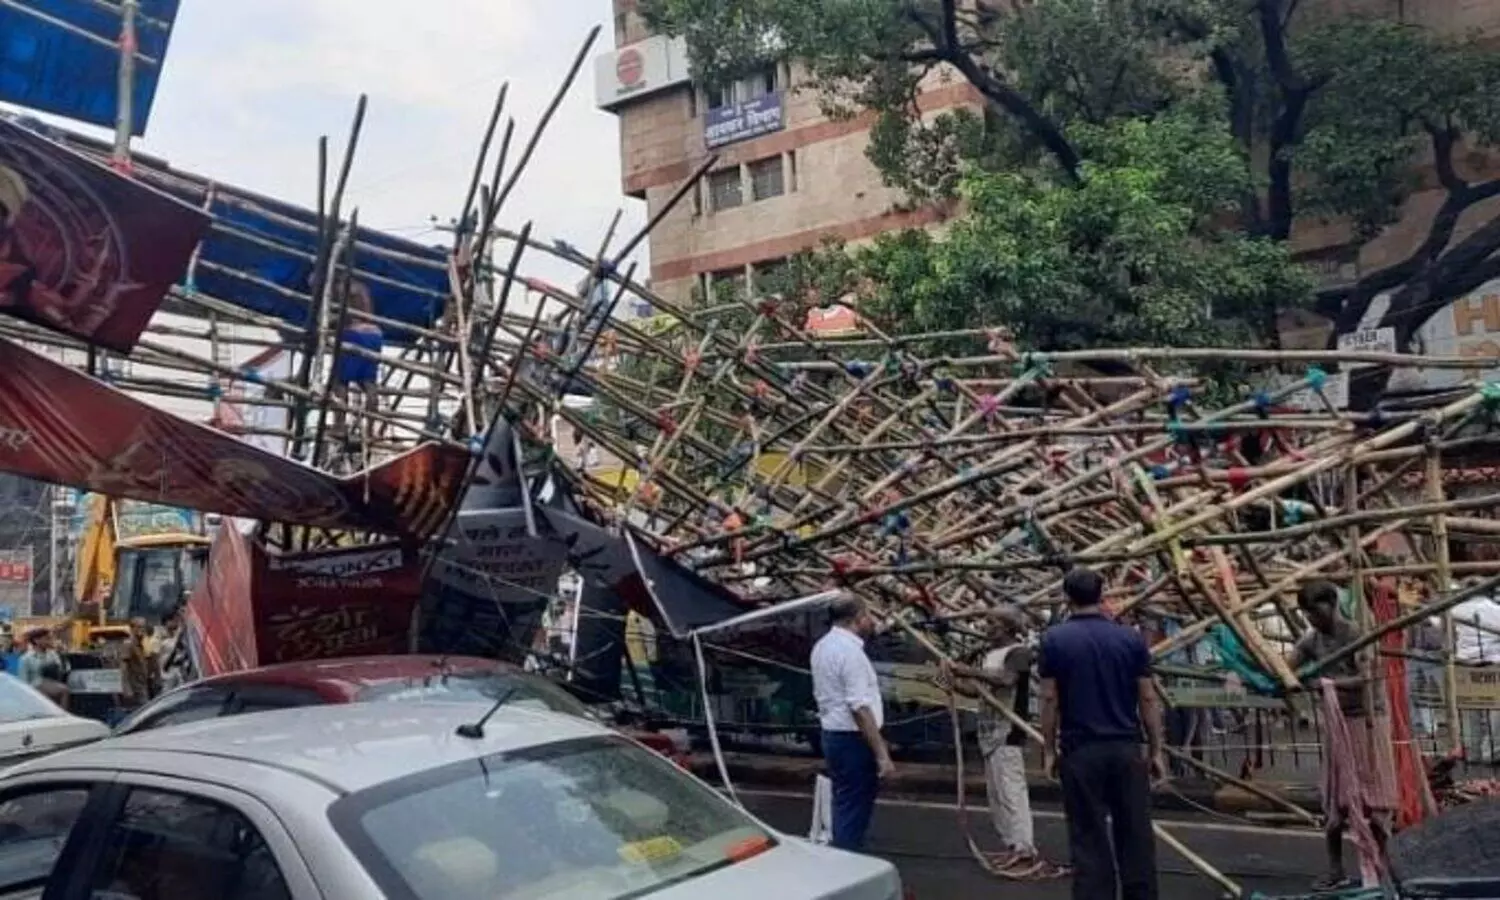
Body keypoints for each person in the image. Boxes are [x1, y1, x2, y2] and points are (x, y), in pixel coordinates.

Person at [1040, 567, 1163, 900]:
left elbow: (1049, 698)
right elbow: (1147, 697)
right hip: (1125, 748)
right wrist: (1156, 749)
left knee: (1088, 835)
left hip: (1081, 750)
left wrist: (1048, 748)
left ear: (1067, 598)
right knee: (1135, 832)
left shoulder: (1055, 639)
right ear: (1102, 595)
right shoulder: (1129, 638)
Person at [1288, 580, 1397, 891]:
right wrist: (1284, 675)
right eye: (1308, 615)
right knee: (1335, 806)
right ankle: (1336, 870)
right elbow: (1289, 666)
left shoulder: (1356, 635)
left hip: (1367, 721)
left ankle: (1385, 867)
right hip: (1337, 724)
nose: (1313, 620)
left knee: (1374, 805)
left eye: (1317, 613)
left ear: (1332, 605)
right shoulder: (1312, 640)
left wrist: (1328, 684)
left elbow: (1367, 677)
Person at [942, 607, 1052, 875]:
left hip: (1009, 729)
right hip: (988, 728)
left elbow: (1006, 680)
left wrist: (966, 670)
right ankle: (1011, 843)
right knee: (997, 793)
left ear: (1006, 627)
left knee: (1011, 790)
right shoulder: (990, 655)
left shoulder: (1019, 653)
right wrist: (953, 681)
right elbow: (978, 690)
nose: (986, 627)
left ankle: (1025, 848)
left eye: (992, 623)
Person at [810, 594, 893, 853]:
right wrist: (882, 754)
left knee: (845, 802)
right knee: (854, 806)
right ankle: (848, 859)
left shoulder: (823, 646)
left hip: (835, 735)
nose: (871, 621)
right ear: (857, 619)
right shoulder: (850, 654)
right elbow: (859, 707)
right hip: (852, 738)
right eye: (868, 615)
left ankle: (845, 852)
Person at [331, 281, 384, 443]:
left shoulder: (342, 286)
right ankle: (370, 430)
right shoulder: (363, 287)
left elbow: (344, 317)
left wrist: (330, 322)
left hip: (355, 334)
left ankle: (339, 426)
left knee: (340, 381)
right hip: (374, 334)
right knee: (369, 383)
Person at [20, 627, 69, 708]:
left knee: (64, 690)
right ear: (36, 640)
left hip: (52, 682)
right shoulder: (26, 658)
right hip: (35, 687)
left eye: (50, 638)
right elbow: (23, 681)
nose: (49, 641)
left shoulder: (53, 654)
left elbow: (60, 670)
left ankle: (63, 716)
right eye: (47, 639)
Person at [118, 617, 158, 710]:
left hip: (143, 685)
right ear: (132, 629)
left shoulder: (142, 644)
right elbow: (123, 668)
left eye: (143, 627)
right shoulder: (128, 644)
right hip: (135, 688)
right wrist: (126, 688)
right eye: (139, 627)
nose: (142, 630)